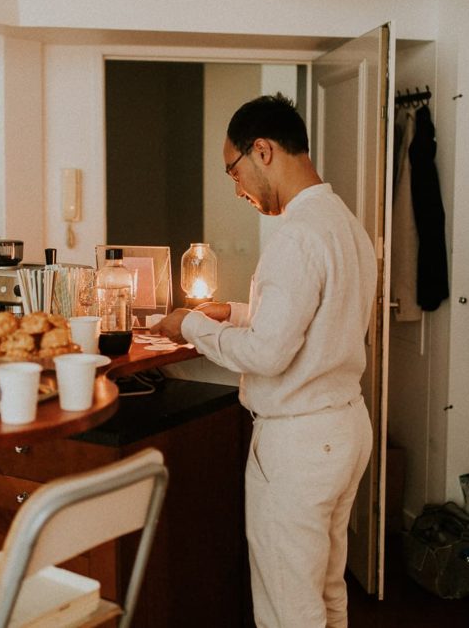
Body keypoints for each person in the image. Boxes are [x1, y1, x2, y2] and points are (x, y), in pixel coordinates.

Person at [152, 93, 376, 627]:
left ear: (263, 150)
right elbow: (313, 316)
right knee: (326, 593)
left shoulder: (296, 235)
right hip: (344, 427)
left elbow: (270, 353)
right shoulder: (345, 223)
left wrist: (191, 324)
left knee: (287, 608)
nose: (237, 189)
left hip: (298, 444)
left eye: (234, 171)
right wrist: (233, 310)